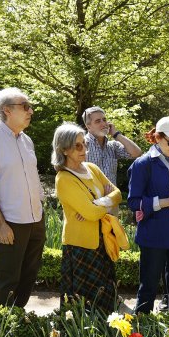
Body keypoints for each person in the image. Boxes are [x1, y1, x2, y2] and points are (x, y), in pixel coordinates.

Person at [0, 87, 45, 308]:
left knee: (29, 275)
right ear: (7, 110)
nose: (30, 111)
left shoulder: (27, 140)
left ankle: (17, 318)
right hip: (10, 221)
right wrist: (1, 224)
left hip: (35, 220)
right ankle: (3, 327)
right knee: (7, 278)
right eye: (25, 106)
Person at [52, 123, 123, 314]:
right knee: (82, 301)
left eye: (84, 144)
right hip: (81, 246)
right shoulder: (64, 179)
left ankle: (106, 336)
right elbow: (92, 213)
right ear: (64, 149)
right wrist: (105, 204)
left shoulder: (91, 168)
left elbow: (118, 194)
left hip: (103, 239)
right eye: (78, 146)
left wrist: (97, 203)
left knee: (106, 294)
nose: (85, 149)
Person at [128, 117, 169, 313]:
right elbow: (133, 202)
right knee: (148, 284)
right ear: (157, 138)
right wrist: (165, 202)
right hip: (154, 231)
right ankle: (141, 330)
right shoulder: (142, 164)